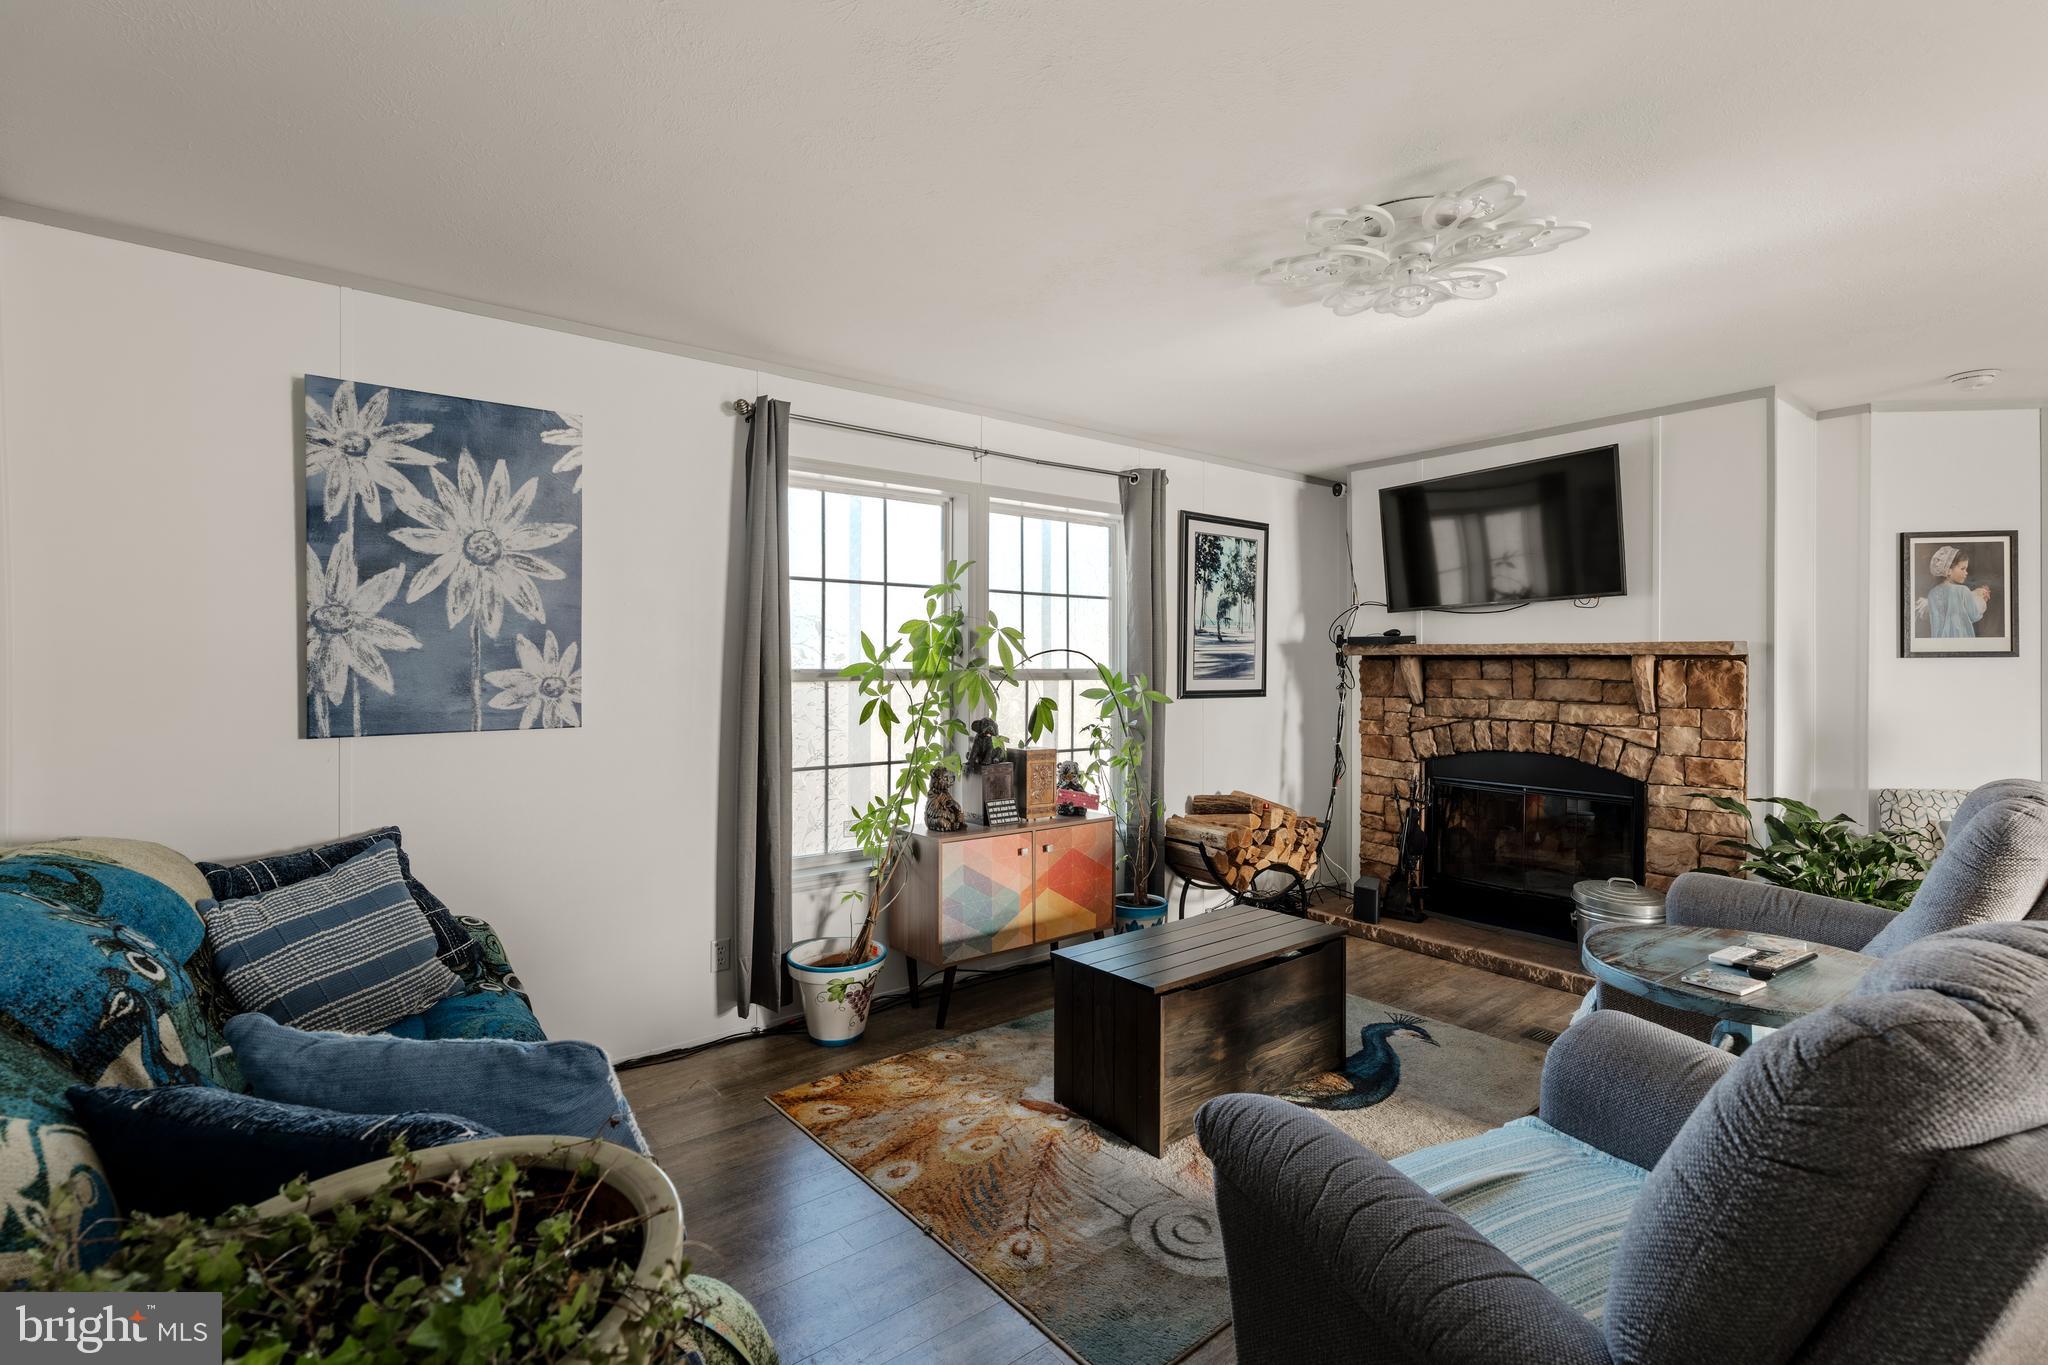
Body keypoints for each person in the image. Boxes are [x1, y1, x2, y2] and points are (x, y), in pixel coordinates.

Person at [1921, 544, 1991, 638]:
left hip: (1939, 643)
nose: (1966, 573)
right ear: (1948, 571)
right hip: (1961, 640)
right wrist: (1982, 600)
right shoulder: (1963, 591)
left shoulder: (1932, 593)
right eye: (1963, 568)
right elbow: (1974, 615)